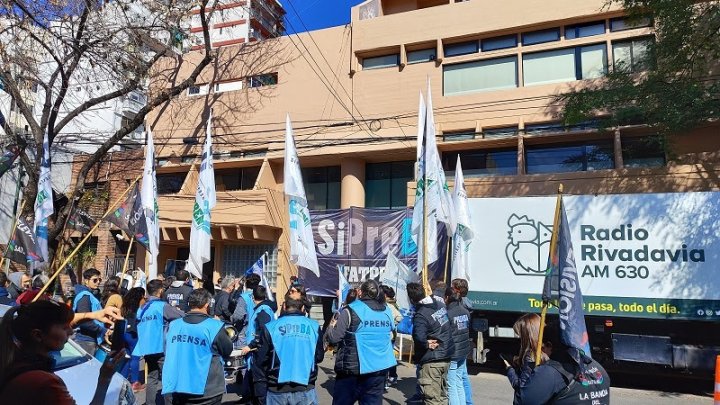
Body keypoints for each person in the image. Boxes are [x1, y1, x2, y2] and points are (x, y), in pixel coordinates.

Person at [0, 300, 125, 404]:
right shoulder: (44, 383)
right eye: (65, 328)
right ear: (38, 335)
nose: (71, 331)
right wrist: (105, 378)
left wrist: (93, 315)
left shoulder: (14, 363)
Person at [325, 279, 397, 405]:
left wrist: (331, 326)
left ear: (360, 293)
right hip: (378, 369)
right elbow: (391, 331)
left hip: (353, 370)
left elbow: (334, 338)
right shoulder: (387, 311)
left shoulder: (351, 310)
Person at [163, 288, 232, 404]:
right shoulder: (214, 326)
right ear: (206, 305)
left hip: (178, 385)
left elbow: (167, 349)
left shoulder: (174, 325)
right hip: (207, 389)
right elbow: (227, 349)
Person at [516, 319, 610, 405]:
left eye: (543, 346)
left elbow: (522, 402)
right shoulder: (596, 366)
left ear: (549, 345)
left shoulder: (550, 372)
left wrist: (527, 374)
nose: (542, 349)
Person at [256, 296, 324, 405]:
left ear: (284, 306)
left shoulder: (270, 327)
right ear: (302, 309)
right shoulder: (314, 326)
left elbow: (261, 359)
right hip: (305, 386)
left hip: (276, 387)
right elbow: (319, 356)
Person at [134, 279, 185, 405]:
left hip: (146, 348)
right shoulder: (162, 306)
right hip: (161, 347)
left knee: (152, 377)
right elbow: (182, 315)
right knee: (168, 378)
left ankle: (150, 403)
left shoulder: (143, 308)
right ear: (161, 290)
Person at [407, 282, 454, 405]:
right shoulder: (439, 304)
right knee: (443, 397)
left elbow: (418, 336)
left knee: (432, 400)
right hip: (445, 356)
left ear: (411, 299)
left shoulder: (421, 314)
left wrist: (426, 344)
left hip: (432, 360)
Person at [240, 285, 277, 404]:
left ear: (252, 297)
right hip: (260, 351)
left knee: (260, 390)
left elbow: (262, 332)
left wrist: (250, 346)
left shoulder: (262, 310)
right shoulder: (265, 308)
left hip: (259, 353)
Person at [505, 313, 547, 405]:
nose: (520, 338)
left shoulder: (531, 356)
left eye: (520, 335)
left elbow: (521, 387)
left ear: (526, 335)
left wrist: (509, 369)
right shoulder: (545, 352)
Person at [445, 288, 472, 405]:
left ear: (446, 298)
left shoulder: (448, 314)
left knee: (451, 385)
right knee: (459, 381)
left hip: (453, 352)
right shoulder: (465, 311)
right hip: (463, 350)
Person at [72, 268, 107, 356]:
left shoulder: (92, 295)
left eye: (99, 280)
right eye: (95, 280)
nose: (98, 282)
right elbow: (85, 321)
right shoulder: (85, 296)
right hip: (85, 340)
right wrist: (101, 330)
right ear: (86, 281)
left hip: (91, 339)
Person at [451, 278, 474, 405]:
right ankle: (468, 401)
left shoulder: (459, 305)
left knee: (455, 381)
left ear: (457, 290)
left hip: (456, 345)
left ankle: (467, 401)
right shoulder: (468, 304)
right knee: (462, 376)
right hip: (463, 343)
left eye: (452, 287)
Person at [121, 287, 147, 392]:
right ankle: (135, 382)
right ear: (140, 296)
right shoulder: (139, 306)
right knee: (135, 358)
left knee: (126, 357)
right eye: (144, 296)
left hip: (124, 332)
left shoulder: (126, 305)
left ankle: (122, 380)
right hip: (134, 333)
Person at [230, 273, 262, 348]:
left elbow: (238, 317)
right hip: (258, 336)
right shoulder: (262, 297)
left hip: (244, 336)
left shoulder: (244, 297)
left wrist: (232, 318)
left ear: (246, 283)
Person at [381, 284, 402, 390]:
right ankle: (392, 377)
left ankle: (388, 379)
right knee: (389, 358)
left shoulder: (389, 305)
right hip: (389, 335)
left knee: (386, 359)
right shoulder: (391, 303)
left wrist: (391, 324)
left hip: (388, 336)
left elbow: (399, 317)